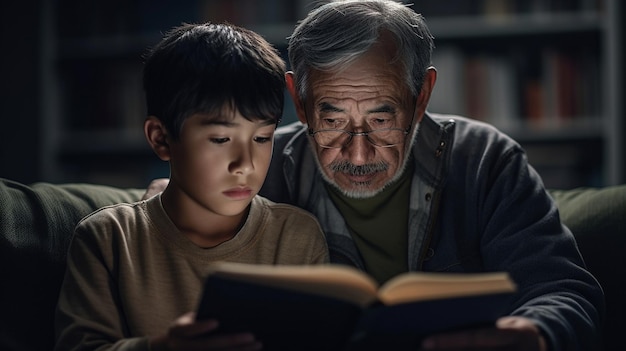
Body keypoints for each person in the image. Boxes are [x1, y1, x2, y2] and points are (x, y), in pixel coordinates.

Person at [257, 0, 603, 350]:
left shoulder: (484, 158)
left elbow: (562, 291)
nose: (358, 155)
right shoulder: (258, 170)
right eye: (332, 121)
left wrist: (535, 333)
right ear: (299, 102)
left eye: (381, 120)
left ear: (421, 97)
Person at [53, 22, 329, 351]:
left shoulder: (296, 236)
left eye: (261, 138)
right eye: (220, 139)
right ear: (161, 138)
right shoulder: (109, 238)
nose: (245, 164)